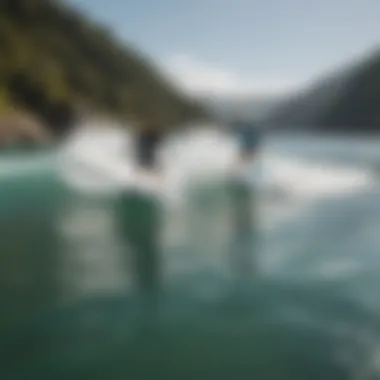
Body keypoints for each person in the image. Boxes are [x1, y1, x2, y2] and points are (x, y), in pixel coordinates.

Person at [117, 126, 165, 309]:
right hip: (145, 163)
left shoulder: (144, 140)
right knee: (147, 171)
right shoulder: (147, 140)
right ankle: (150, 187)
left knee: (145, 171)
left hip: (145, 163)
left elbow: (139, 150)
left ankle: (142, 189)